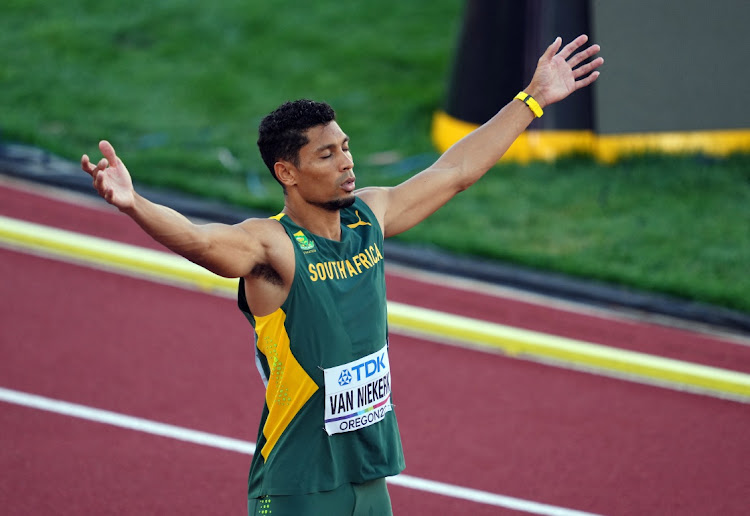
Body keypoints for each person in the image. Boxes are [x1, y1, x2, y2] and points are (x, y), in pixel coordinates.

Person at [81, 34, 602, 515]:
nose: (346, 162)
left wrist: (531, 100)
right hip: (298, 485)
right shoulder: (273, 247)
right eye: (327, 155)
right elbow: (200, 240)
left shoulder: (366, 218)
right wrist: (134, 204)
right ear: (286, 172)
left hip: (368, 476)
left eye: (346, 147)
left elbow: (455, 173)